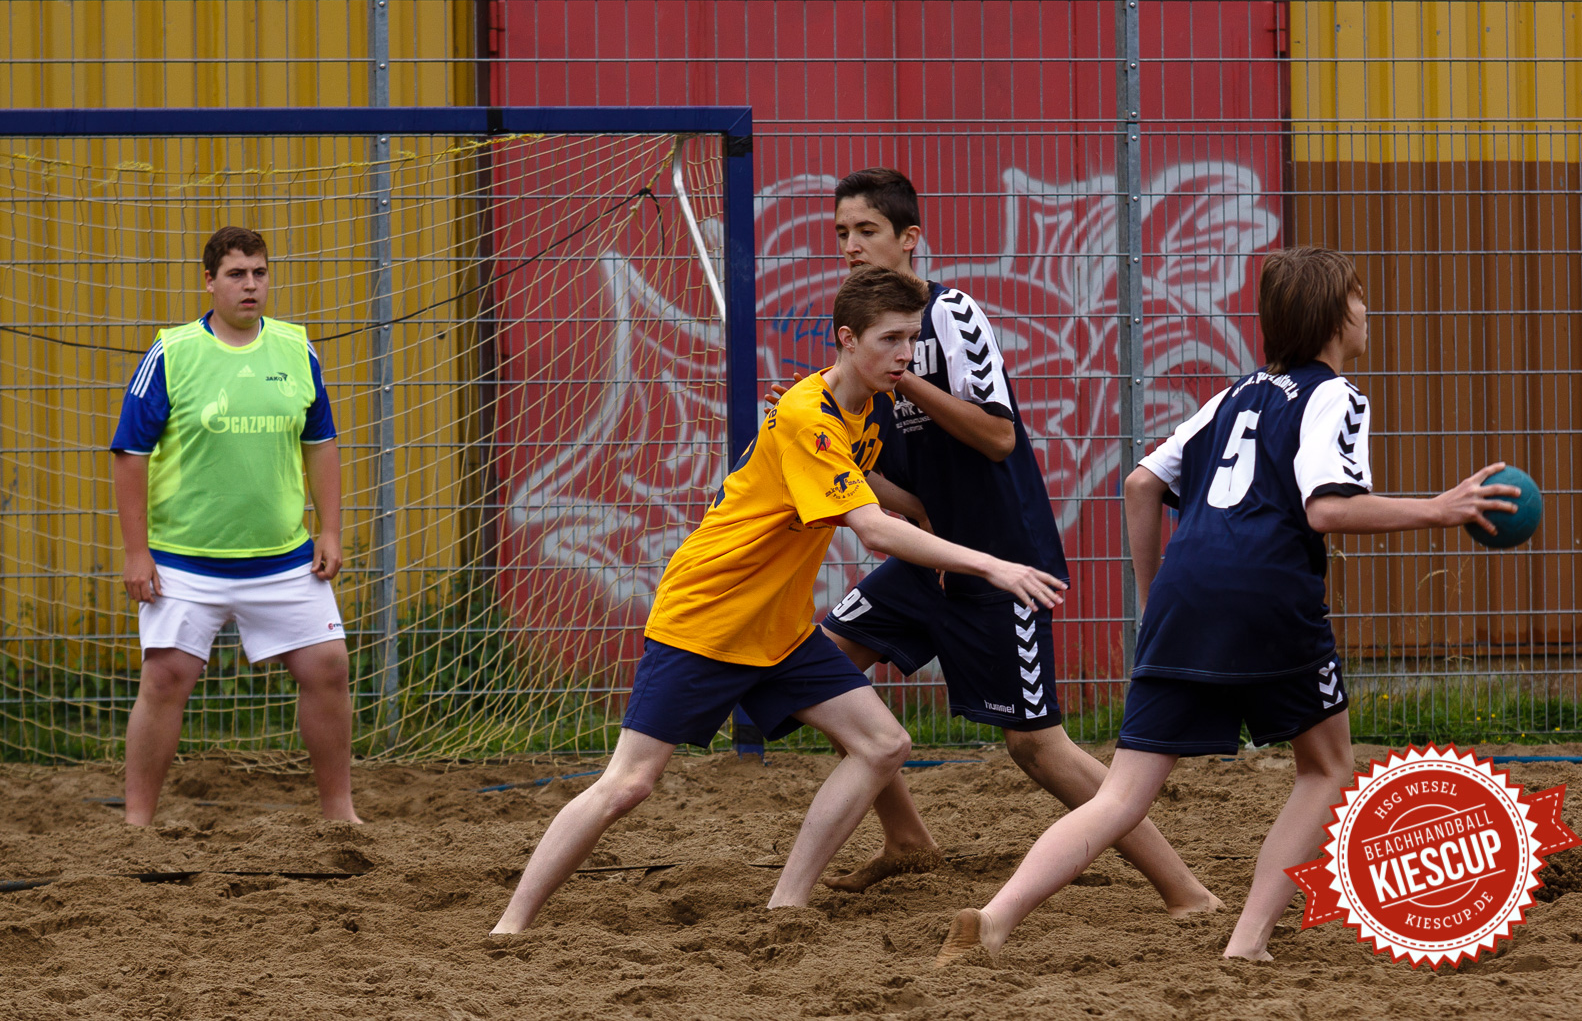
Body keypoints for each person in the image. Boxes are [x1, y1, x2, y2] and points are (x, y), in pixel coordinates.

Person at [935, 245, 1519, 965]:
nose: (1369, 312)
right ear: (1337, 316)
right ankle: (1247, 941)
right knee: (1327, 765)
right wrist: (1439, 508)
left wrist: (1154, 604)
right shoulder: (1336, 394)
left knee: (1120, 795)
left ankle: (994, 917)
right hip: (1268, 590)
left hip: (1186, 590)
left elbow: (1140, 483)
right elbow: (1328, 510)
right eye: (1360, 298)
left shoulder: (1236, 393)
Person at [490, 266, 1067, 934]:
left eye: (912, 337)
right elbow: (872, 525)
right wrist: (990, 563)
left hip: (781, 627)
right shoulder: (806, 416)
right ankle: (511, 925)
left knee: (882, 745)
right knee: (629, 782)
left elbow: (871, 483)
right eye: (890, 339)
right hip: (709, 616)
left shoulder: (863, 404)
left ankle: (785, 906)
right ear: (847, 339)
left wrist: (930, 518)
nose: (906, 355)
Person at [795, 168, 1217, 916]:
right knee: (825, 668)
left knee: (1034, 746)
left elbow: (997, 436)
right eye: (840, 234)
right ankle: (906, 838)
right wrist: (831, 445)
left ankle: (1185, 890)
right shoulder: (866, 342)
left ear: (908, 238)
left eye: (866, 231)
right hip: (931, 559)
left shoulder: (950, 315)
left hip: (1004, 562)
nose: (851, 246)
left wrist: (902, 382)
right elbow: (909, 499)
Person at [111, 225, 359, 826]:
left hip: (282, 557)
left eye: (260, 272)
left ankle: (340, 816)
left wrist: (330, 531)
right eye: (236, 274)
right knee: (166, 677)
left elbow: (321, 443)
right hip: (183, 559)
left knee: (328, 665)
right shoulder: (171, 353)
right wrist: (136, 553)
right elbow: (128, 454)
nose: (250, 285)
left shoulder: (296, 349)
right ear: (210, 282)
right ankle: (135, 824)